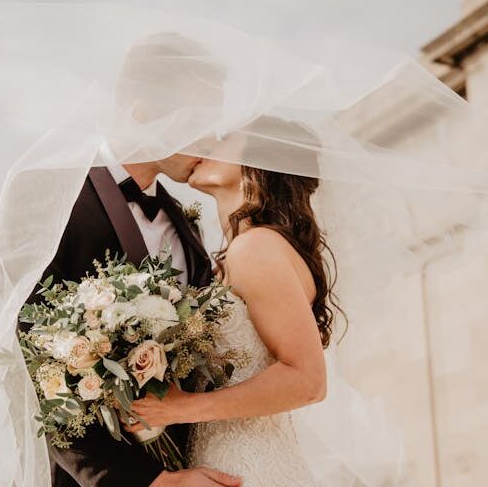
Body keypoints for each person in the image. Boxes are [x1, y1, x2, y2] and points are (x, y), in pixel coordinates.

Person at [24, 32, 240, 487]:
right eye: (200, 118)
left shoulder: (187, 226)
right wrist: (152, 482)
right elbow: (32, 366)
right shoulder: (51, 197)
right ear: (144, 111)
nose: (212, 137)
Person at [128, 117, 338, 486]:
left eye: (224, 139)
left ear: (257, 162)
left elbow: (308, 380)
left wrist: (180, 408)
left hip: (248, 466)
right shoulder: (243, 250)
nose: (205, 142)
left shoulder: (256, 248)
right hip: (223, 460)